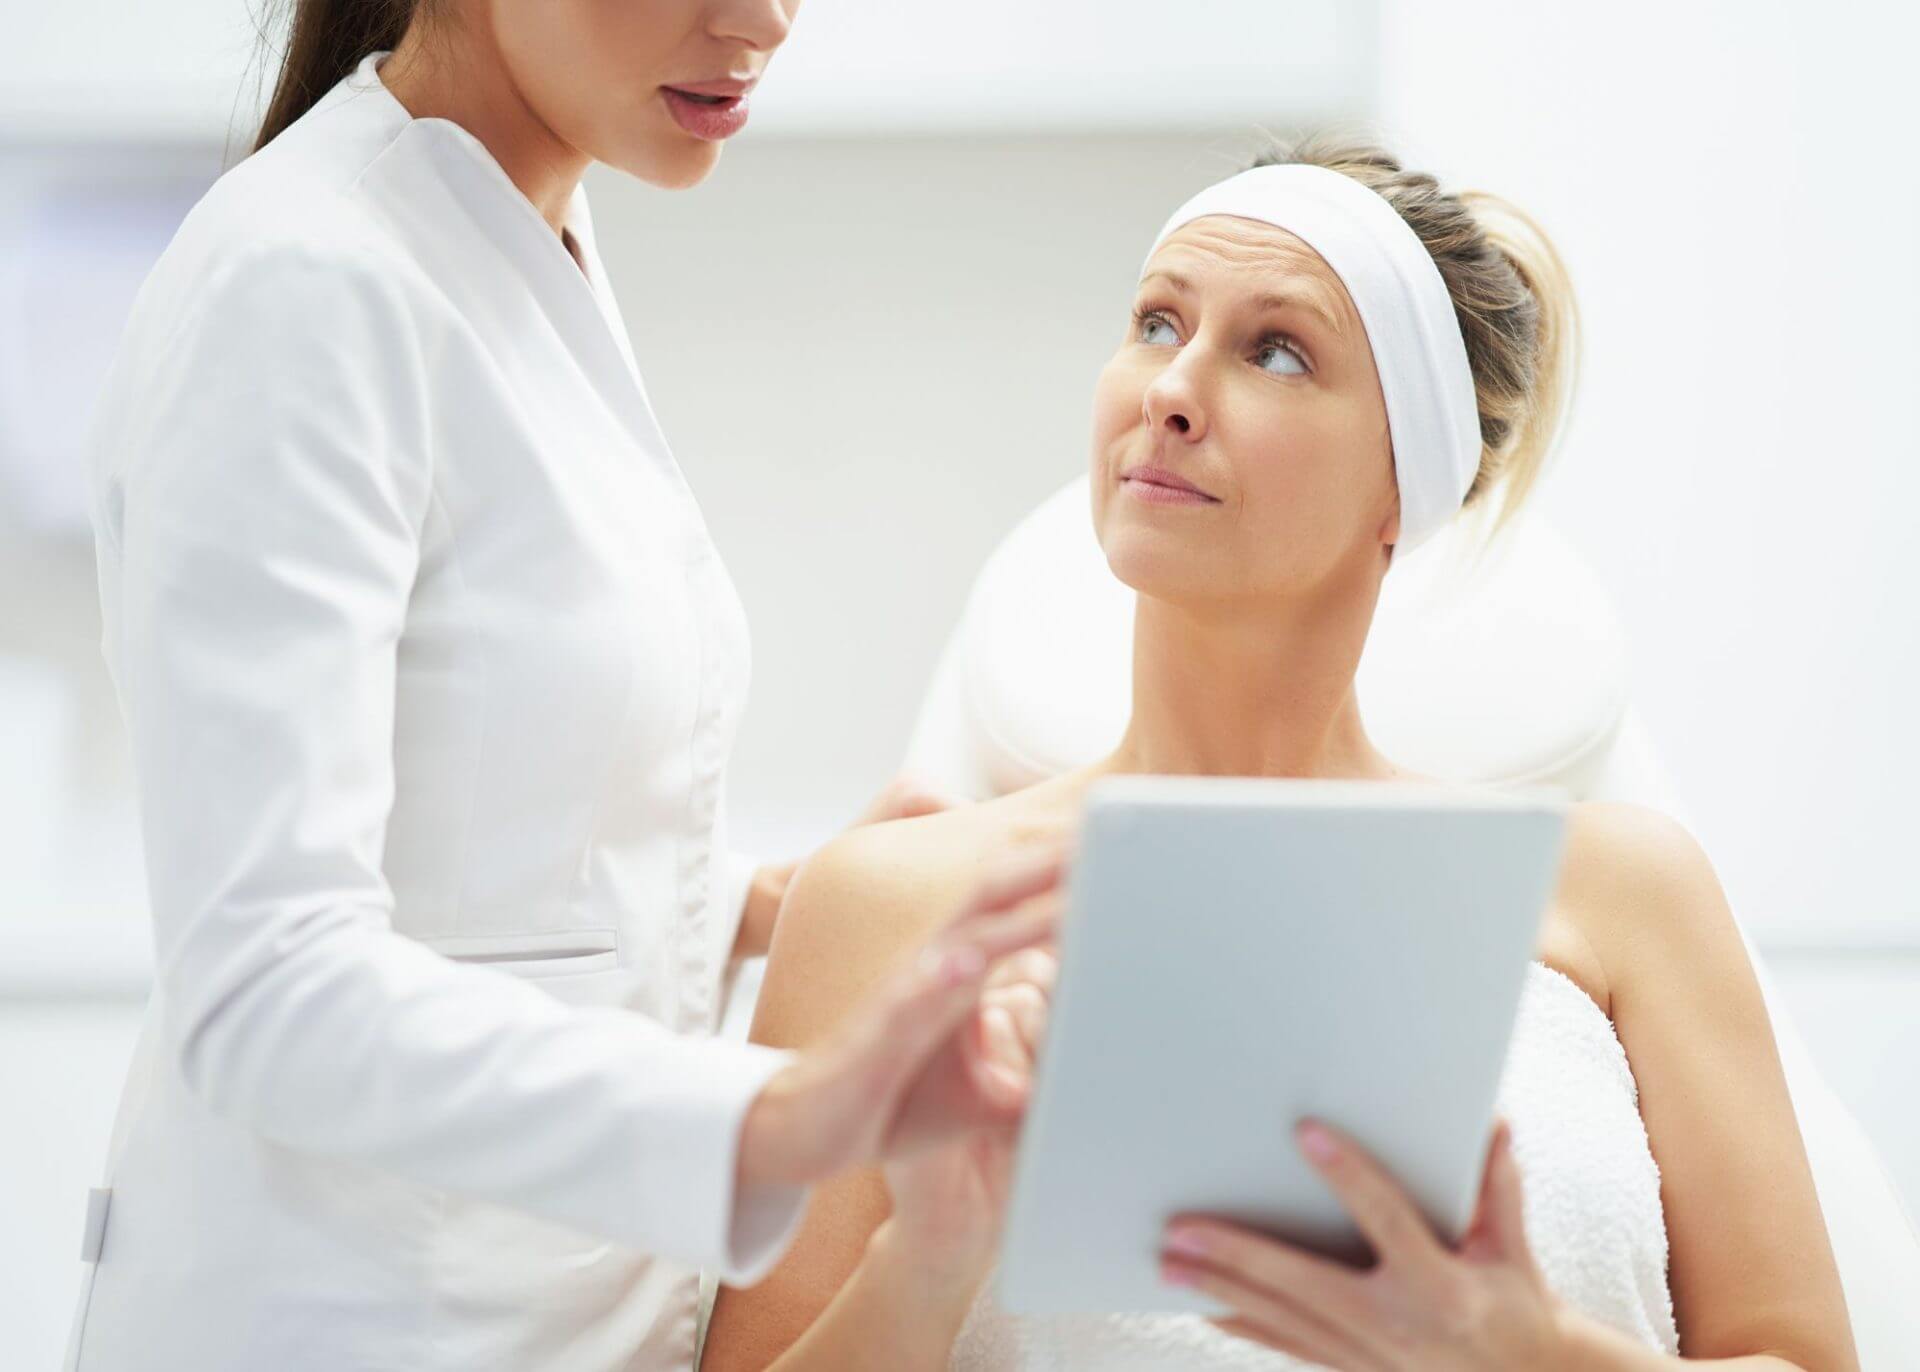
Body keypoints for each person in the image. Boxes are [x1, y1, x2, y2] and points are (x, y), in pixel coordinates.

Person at [699, 133, 1859, 1371]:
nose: (1170, 388)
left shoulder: (1622, 894)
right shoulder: (891, 907)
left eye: (1277, 350)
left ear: (1405, 482)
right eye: (1157, 322)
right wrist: (926, 1266)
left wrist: (1529, 1351)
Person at [63, 4, 1061, 1370]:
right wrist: (779, 1117)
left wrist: (790, 904)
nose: (765, 19)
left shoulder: (516, 230)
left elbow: (490, 824)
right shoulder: (304, 277)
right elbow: (266, 987)